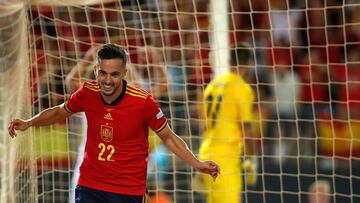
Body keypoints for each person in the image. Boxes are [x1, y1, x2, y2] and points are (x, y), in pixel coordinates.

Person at [8, 43, 220, 203]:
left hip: (127, 189)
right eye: (103, 73)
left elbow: (168, 137)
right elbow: (59, 112)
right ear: (96, 71)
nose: (107, 80)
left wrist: (197, 163)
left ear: (124, 74)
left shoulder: (143, 101)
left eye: (114, 75)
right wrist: (29, 122)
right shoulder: (87, 93)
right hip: (90, 184)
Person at [198, 45, 258, 203]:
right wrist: (251, 159)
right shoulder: (242, 89)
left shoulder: (212, 86)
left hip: (206, 153)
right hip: (225, 158)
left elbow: (204, 125)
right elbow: (246, 127)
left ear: (229, 61)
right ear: (248, 64)